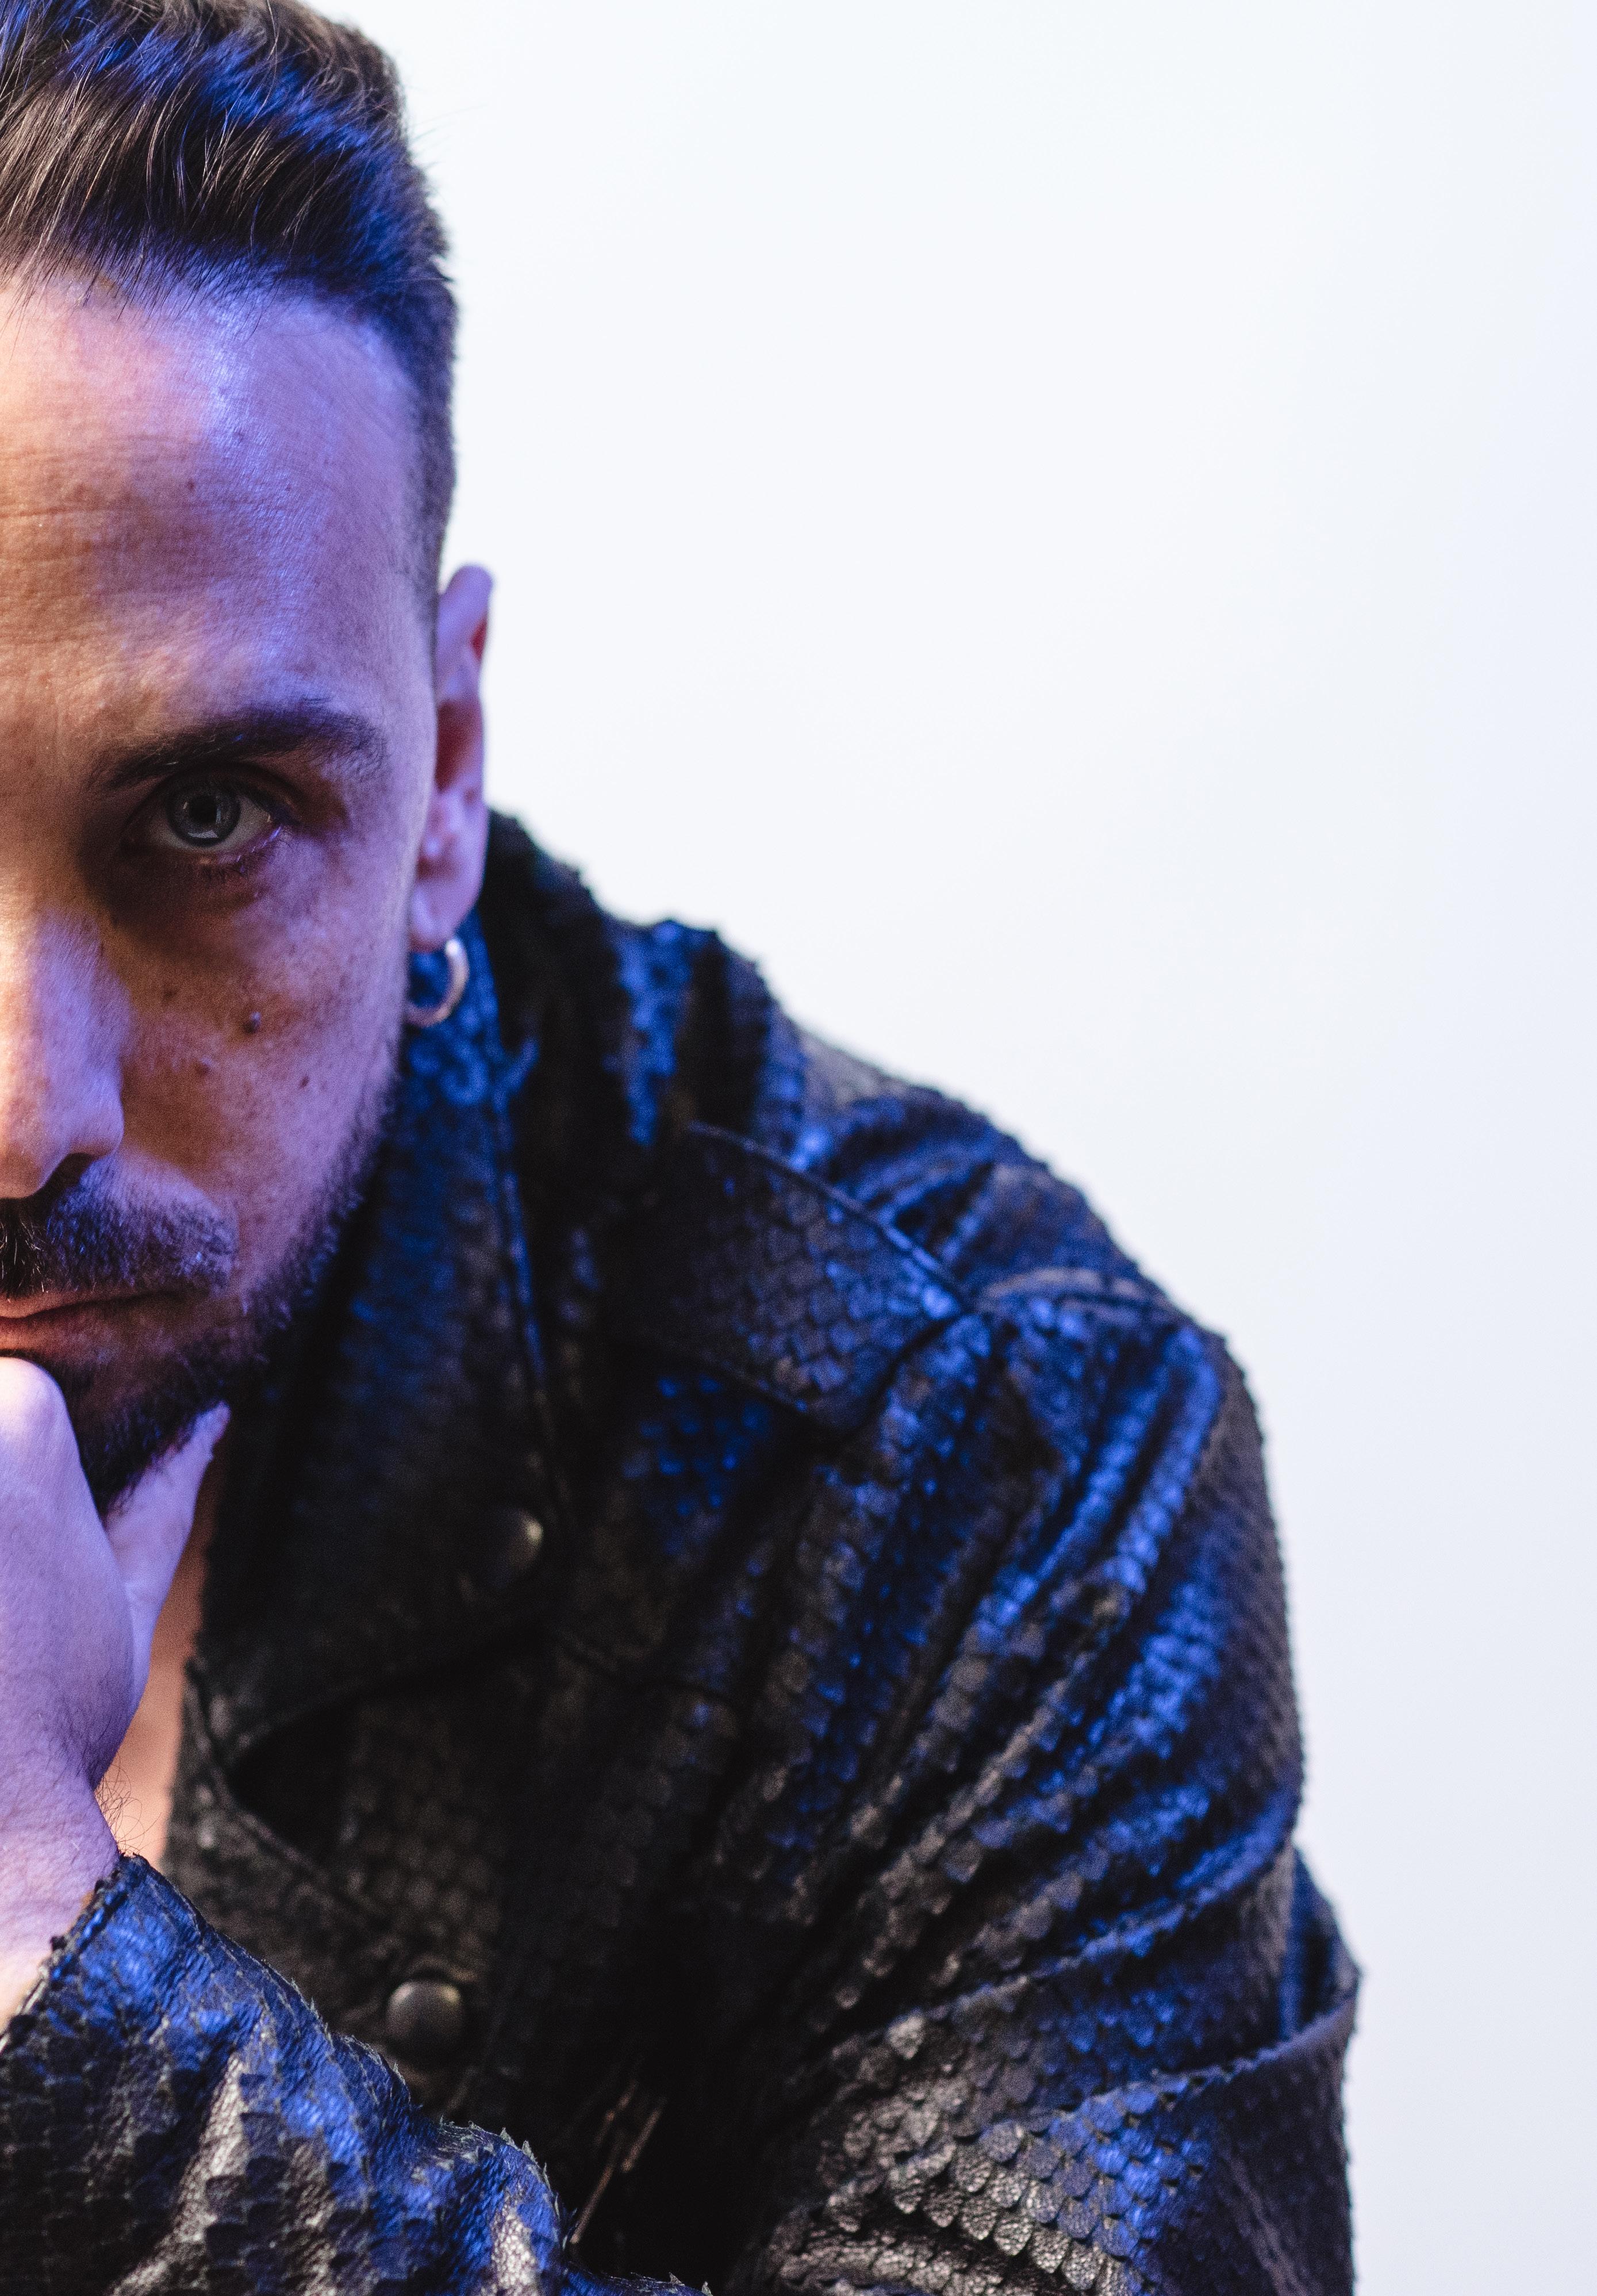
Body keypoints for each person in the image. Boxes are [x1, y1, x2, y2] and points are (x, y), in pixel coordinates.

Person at [0, 3, 1356, 2290]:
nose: (29, 1105)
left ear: (444, 769)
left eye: (210, 815)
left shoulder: (973, 1458)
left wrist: (51, 1991)